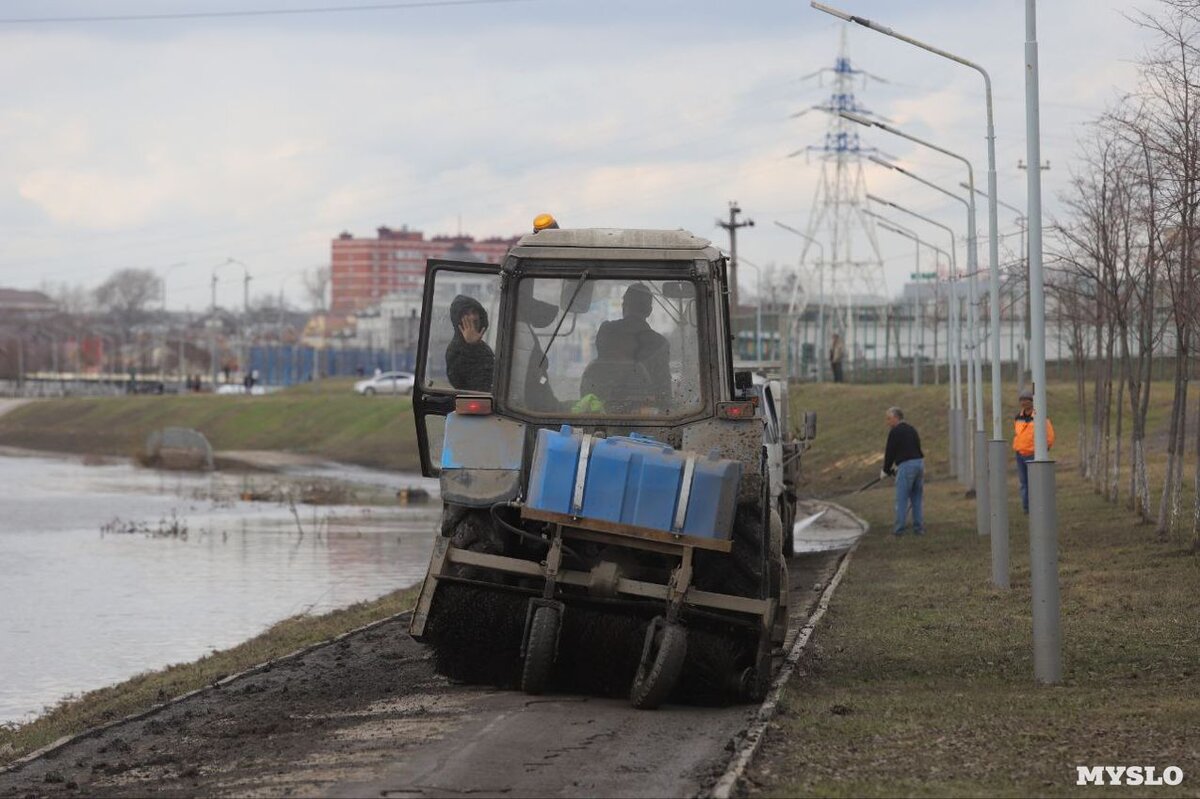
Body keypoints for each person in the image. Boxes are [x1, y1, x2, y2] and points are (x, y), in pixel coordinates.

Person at [591, 284, 670, 405]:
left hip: (601, 408)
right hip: (650, 415)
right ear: (649, 310)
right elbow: (665, 391)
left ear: (624, 306)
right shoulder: (660, 343)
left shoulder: (607, 331)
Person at [882, 406, 924, 536]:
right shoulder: (912, 429)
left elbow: (890, 452)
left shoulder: (895, 432)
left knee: (902, 499)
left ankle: (898, 529)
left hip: (906, 466)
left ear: (896, 418)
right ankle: (919, 528)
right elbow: (915, 447)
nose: (887, 422)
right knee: (916, 498)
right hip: (919, 464)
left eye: (889, 419)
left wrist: (886, 469)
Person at [1013, 386, 1055, 514]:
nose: (1023, 402)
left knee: (1034, 483)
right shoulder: (1018, 417)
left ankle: (1037, 506)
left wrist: (1044, 449)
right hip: (1020, 454)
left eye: (1026, 400)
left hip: (1033, 455)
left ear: (1032, 401)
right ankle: (1026, 507)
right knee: (1024, 483)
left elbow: (1050, 435)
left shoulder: (1040, 416)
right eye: (1022, 400)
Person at [445, 295, 495, 392]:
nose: (472, 317)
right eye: (466, 314)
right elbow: (467, 385)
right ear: (458, 320)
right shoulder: (455, 350)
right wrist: (471, 347)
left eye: (474, 312)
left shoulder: (482, 346)